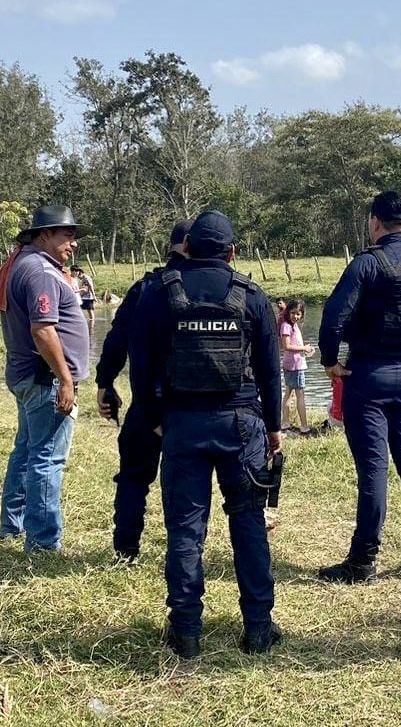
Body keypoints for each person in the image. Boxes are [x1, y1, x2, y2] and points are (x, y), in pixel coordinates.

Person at [130, 210, 284, 659]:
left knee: (185, 529)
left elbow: (140, 368)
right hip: (242, 426)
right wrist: (273, 429)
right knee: (249, 524)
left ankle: (186, 632)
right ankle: (258, 628)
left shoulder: (158, 294)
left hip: (182, 425)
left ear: (187, 248)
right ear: (232, 253)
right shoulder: (251, 296)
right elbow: (271, 373)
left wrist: (155, 419)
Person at [317, 190, 401, 583]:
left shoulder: (366, 266)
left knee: (374, 469)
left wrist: (330, 362)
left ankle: (363, 561)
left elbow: (333, 318)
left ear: (375, 221)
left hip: (368, 376)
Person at [0, 205, 90, 553]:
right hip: (44, 379)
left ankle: (12, 525)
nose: (72, 244)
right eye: (67, 235)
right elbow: (43, 330)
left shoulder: (26, 264)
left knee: (27, 451)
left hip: (28, 376)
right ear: (44, 234)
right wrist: (65, 378)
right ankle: (43, 543)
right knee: (47, 457)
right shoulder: (41, 272)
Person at [94, 220, 193, 562]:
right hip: (190, 407)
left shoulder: (143, 289)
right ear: (188, 245)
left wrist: (105, 382)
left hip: (147, 401)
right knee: (186, 484)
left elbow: (116, 339)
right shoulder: (207, 288)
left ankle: (126, 550)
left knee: (134, 478)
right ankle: (184, 554)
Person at [279, 299, 316, 436]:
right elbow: (286, 346)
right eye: (293, 313)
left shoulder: (291, 325)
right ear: (288, 312)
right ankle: (304, 427)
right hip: (295, 365)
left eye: (298, 314)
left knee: (288, 393)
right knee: (300, 395)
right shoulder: (287, 326)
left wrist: (304, 348)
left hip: (291, 364)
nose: (295, 316)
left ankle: (285, 422)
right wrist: (304, 348)